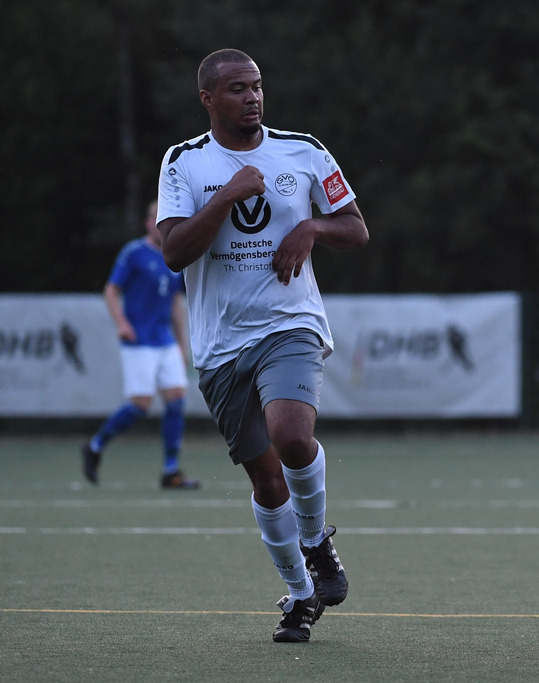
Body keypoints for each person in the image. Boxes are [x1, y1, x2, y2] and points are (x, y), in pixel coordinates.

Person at [156, 48, 368, 643]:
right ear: (208, 99)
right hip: (220, 346)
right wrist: (226, 195)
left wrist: (312, 227)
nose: (252, 97)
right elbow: (174, 252)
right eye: (237, 89)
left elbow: (356, 228)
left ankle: (316, 541)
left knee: (292, 436)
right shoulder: (184, 162)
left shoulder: (304, 150)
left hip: (289, 325)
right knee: (267, 483)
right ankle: (300, 595)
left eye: (256, 86)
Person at [81, 200, 199, 489]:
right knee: (140, 405)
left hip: (165, 340)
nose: (162, 226)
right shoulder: (133, 253)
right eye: (157, 220)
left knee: (176, 400)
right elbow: (111, 290)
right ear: (148, 224)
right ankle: (95, 446)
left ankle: (171, 470)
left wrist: (182, 344)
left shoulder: (175, 256)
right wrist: (122, 324)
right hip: (139, 340)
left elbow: (175, 302)